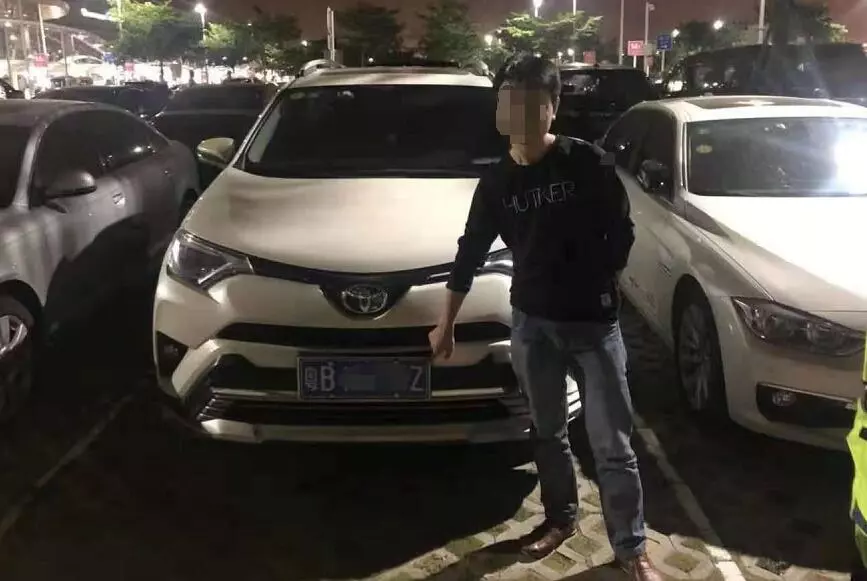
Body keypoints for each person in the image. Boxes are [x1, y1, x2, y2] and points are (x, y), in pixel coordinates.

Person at [428, 54, 660, 581]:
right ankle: (561, 519)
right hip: (532, 324)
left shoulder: (587, 162)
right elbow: (469, 252)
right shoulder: (497, 183)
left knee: (613, 443)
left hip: (594, 325)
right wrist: (446, 322)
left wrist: (599, 279)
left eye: (534, 103)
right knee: (548, 432)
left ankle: (631, 548)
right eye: (511, 103)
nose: (522, 115)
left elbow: (621, 230)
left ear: (553, 108)